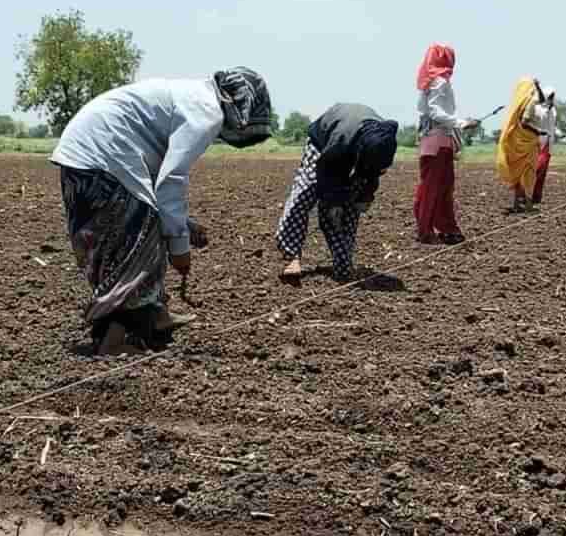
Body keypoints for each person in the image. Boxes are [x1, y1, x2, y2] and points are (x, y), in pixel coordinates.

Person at [51, 67, 273, 356]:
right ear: (241, 105)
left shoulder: (194, 97)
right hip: (104, 158)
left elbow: (158, 186)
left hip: (83, 156)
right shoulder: (206, 112)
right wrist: (179, 248)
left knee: (135, 235)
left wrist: (184, 224)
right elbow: (171, 182)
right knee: (134, 250)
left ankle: (154, 316)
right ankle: (116, 341)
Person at [277, 103, 398, 281]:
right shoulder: (341, 140)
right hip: (323, 146)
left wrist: (365, 196)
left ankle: (343, 263)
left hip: (355, 151)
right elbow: (326, 172)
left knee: (350, 208)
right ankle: (291, 256)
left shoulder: (383, 143)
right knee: (304, 194)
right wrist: (333, 203)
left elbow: (372, 173)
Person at [412, 43, 479, 245]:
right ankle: (427, 231)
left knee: (437, 186)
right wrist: (462, 123)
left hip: (430, 140)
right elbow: (436, 112)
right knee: (437, 187)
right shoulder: (440, 82)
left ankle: (447, 229)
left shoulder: (428, 83)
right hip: (439, 140)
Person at [495, 77, 552, 214]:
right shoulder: (531, 102)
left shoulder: (518, 103)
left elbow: (542, 101)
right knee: (528, 172)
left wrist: (537, 86)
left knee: (518, 172)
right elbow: (526, 121)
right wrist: (538, 131)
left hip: (517, 142)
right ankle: (527, 204)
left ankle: (516, 204)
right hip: (528, 143)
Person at [530, 86, 558, 205]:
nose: (552, 99)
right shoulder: (537, 109)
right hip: (537, 142)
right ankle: (527, 194)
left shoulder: (553, 110)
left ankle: (536, 197)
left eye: (553, 97)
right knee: (536, 169)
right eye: (550, 96)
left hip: (548, 143)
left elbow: (552, 126)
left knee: (542, 172)